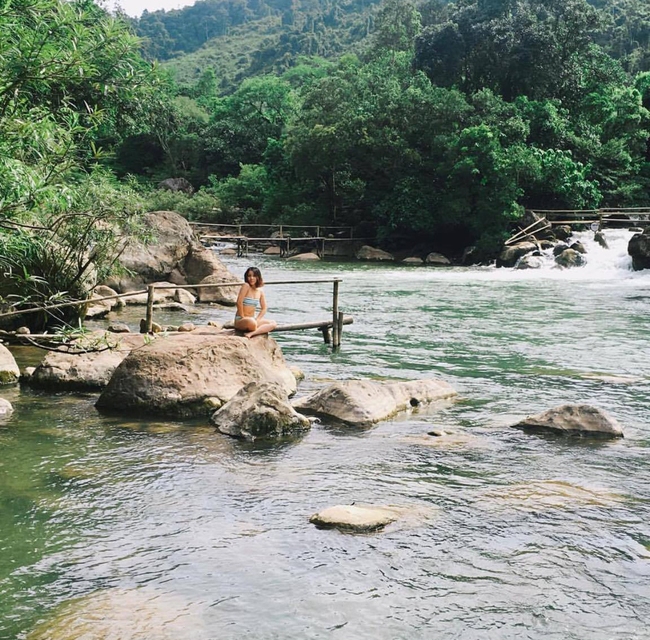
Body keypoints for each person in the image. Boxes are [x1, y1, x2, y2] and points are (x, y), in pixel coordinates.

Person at [234, 266, 277, 338]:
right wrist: (242, 316)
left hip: (252, 319)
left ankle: (252, 333)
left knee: (273, 323)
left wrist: (258, 319)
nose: (251, 278)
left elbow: (264, 308)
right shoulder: (246, 286)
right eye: (249, 276)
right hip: (241, 320)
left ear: (258, 277)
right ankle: (259, 329)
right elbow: (239, 302)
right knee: (252, 323)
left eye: (254, 276)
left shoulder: (260, 291)